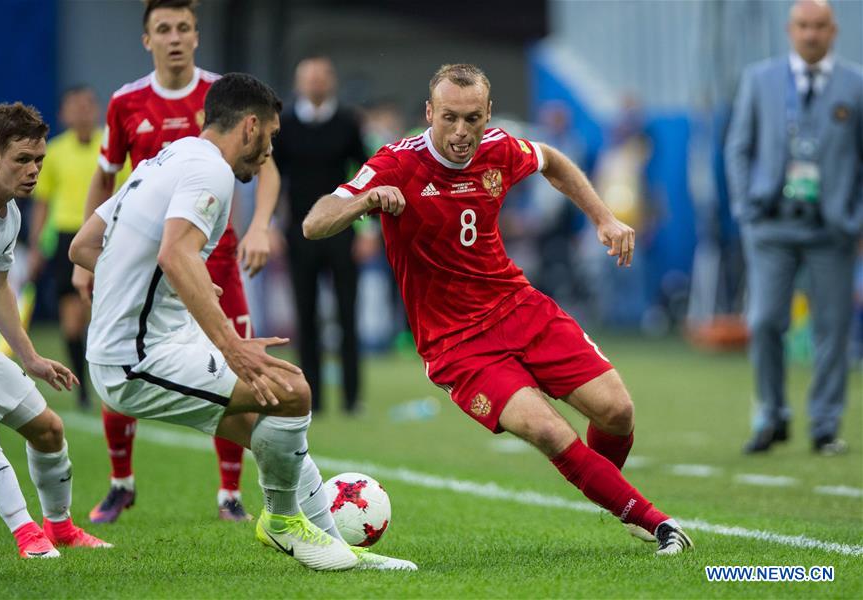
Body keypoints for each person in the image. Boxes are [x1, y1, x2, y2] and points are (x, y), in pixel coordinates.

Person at [304, 64, 693, 555]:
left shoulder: (500, 148)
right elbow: (314, 224)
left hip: (517, 307)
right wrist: (364, 203)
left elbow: (552, 160)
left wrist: (603, 218)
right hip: (456, 343)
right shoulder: (394, 164)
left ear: (488, 114)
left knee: (617, 411)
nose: (461, 132)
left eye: (472, 118)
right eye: (449, 118)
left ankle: (608, 490)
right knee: (549, 430)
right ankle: (653, 521)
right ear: (429, 113)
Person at [70, 73, 414, 571]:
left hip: (142, 344)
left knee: (267, 423)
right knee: (292, 388)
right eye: (271, 137)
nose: (270, 151)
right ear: (250, 127)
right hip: (136, 357)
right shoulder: (211, 171)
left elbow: (85, 246)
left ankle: (340, 545)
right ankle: (281, 523)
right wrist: (232, 346)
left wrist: (162, 287)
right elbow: (174, 252)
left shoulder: (166, 158)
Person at [72, 0, 282, 523]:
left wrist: (260, 225)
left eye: (183, 27)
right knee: (131, 351)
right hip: (148, 261)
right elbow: (106, 176)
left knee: (245, 383)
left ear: (196, 34)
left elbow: (266, 164)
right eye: (162, 29)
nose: (174, 38)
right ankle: (121, 481)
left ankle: (230, 494)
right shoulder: (126, 102)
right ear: (147, 40)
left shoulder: (224, 97)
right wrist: (87, 259)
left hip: (219, 259)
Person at [0, 102, 110, 558]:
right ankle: (28, 536)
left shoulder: (10, 216)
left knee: (48, 429)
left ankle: (61, 527)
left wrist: (29, 357)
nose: (33, 171)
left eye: (39, 161)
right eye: (22, 160)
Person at [725, 0, 862, 455]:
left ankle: (824, 425)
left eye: (819, 26)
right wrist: (745, 208)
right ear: (790, 29)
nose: (810, 35)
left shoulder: (855, 84)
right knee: (764, 321)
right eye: (803, 26)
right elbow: (738, 148)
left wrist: (855, 216)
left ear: (833, 30)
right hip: (771, 225)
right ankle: (771, 415)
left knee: (833, 327)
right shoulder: (758, 80)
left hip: (832, 228)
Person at [275, 56, 369, 414]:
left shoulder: (347, 123)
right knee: (306, 316)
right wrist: (268, 227)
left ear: (330, 82)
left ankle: (351, 397)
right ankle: (311, 396)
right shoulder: (284, 126)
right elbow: (272, 179)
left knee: (348, 315)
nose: (314, 84)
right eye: (308, 78)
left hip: (343, 232)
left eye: (320, 78)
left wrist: (367, 229)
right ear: (299, 83)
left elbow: (366, 175)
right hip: (298, 234)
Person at [28, 86, 112, 410]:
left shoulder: (112, 147)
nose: (83, 111)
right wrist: (36, 247)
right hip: (65, 238)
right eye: (75, 106)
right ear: (64, 113)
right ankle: (83, 389)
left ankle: (109, 382)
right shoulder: (54, 152)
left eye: (88, 105)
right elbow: (42, 204)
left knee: (99, 315)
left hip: (103, 236)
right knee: (72, 321)